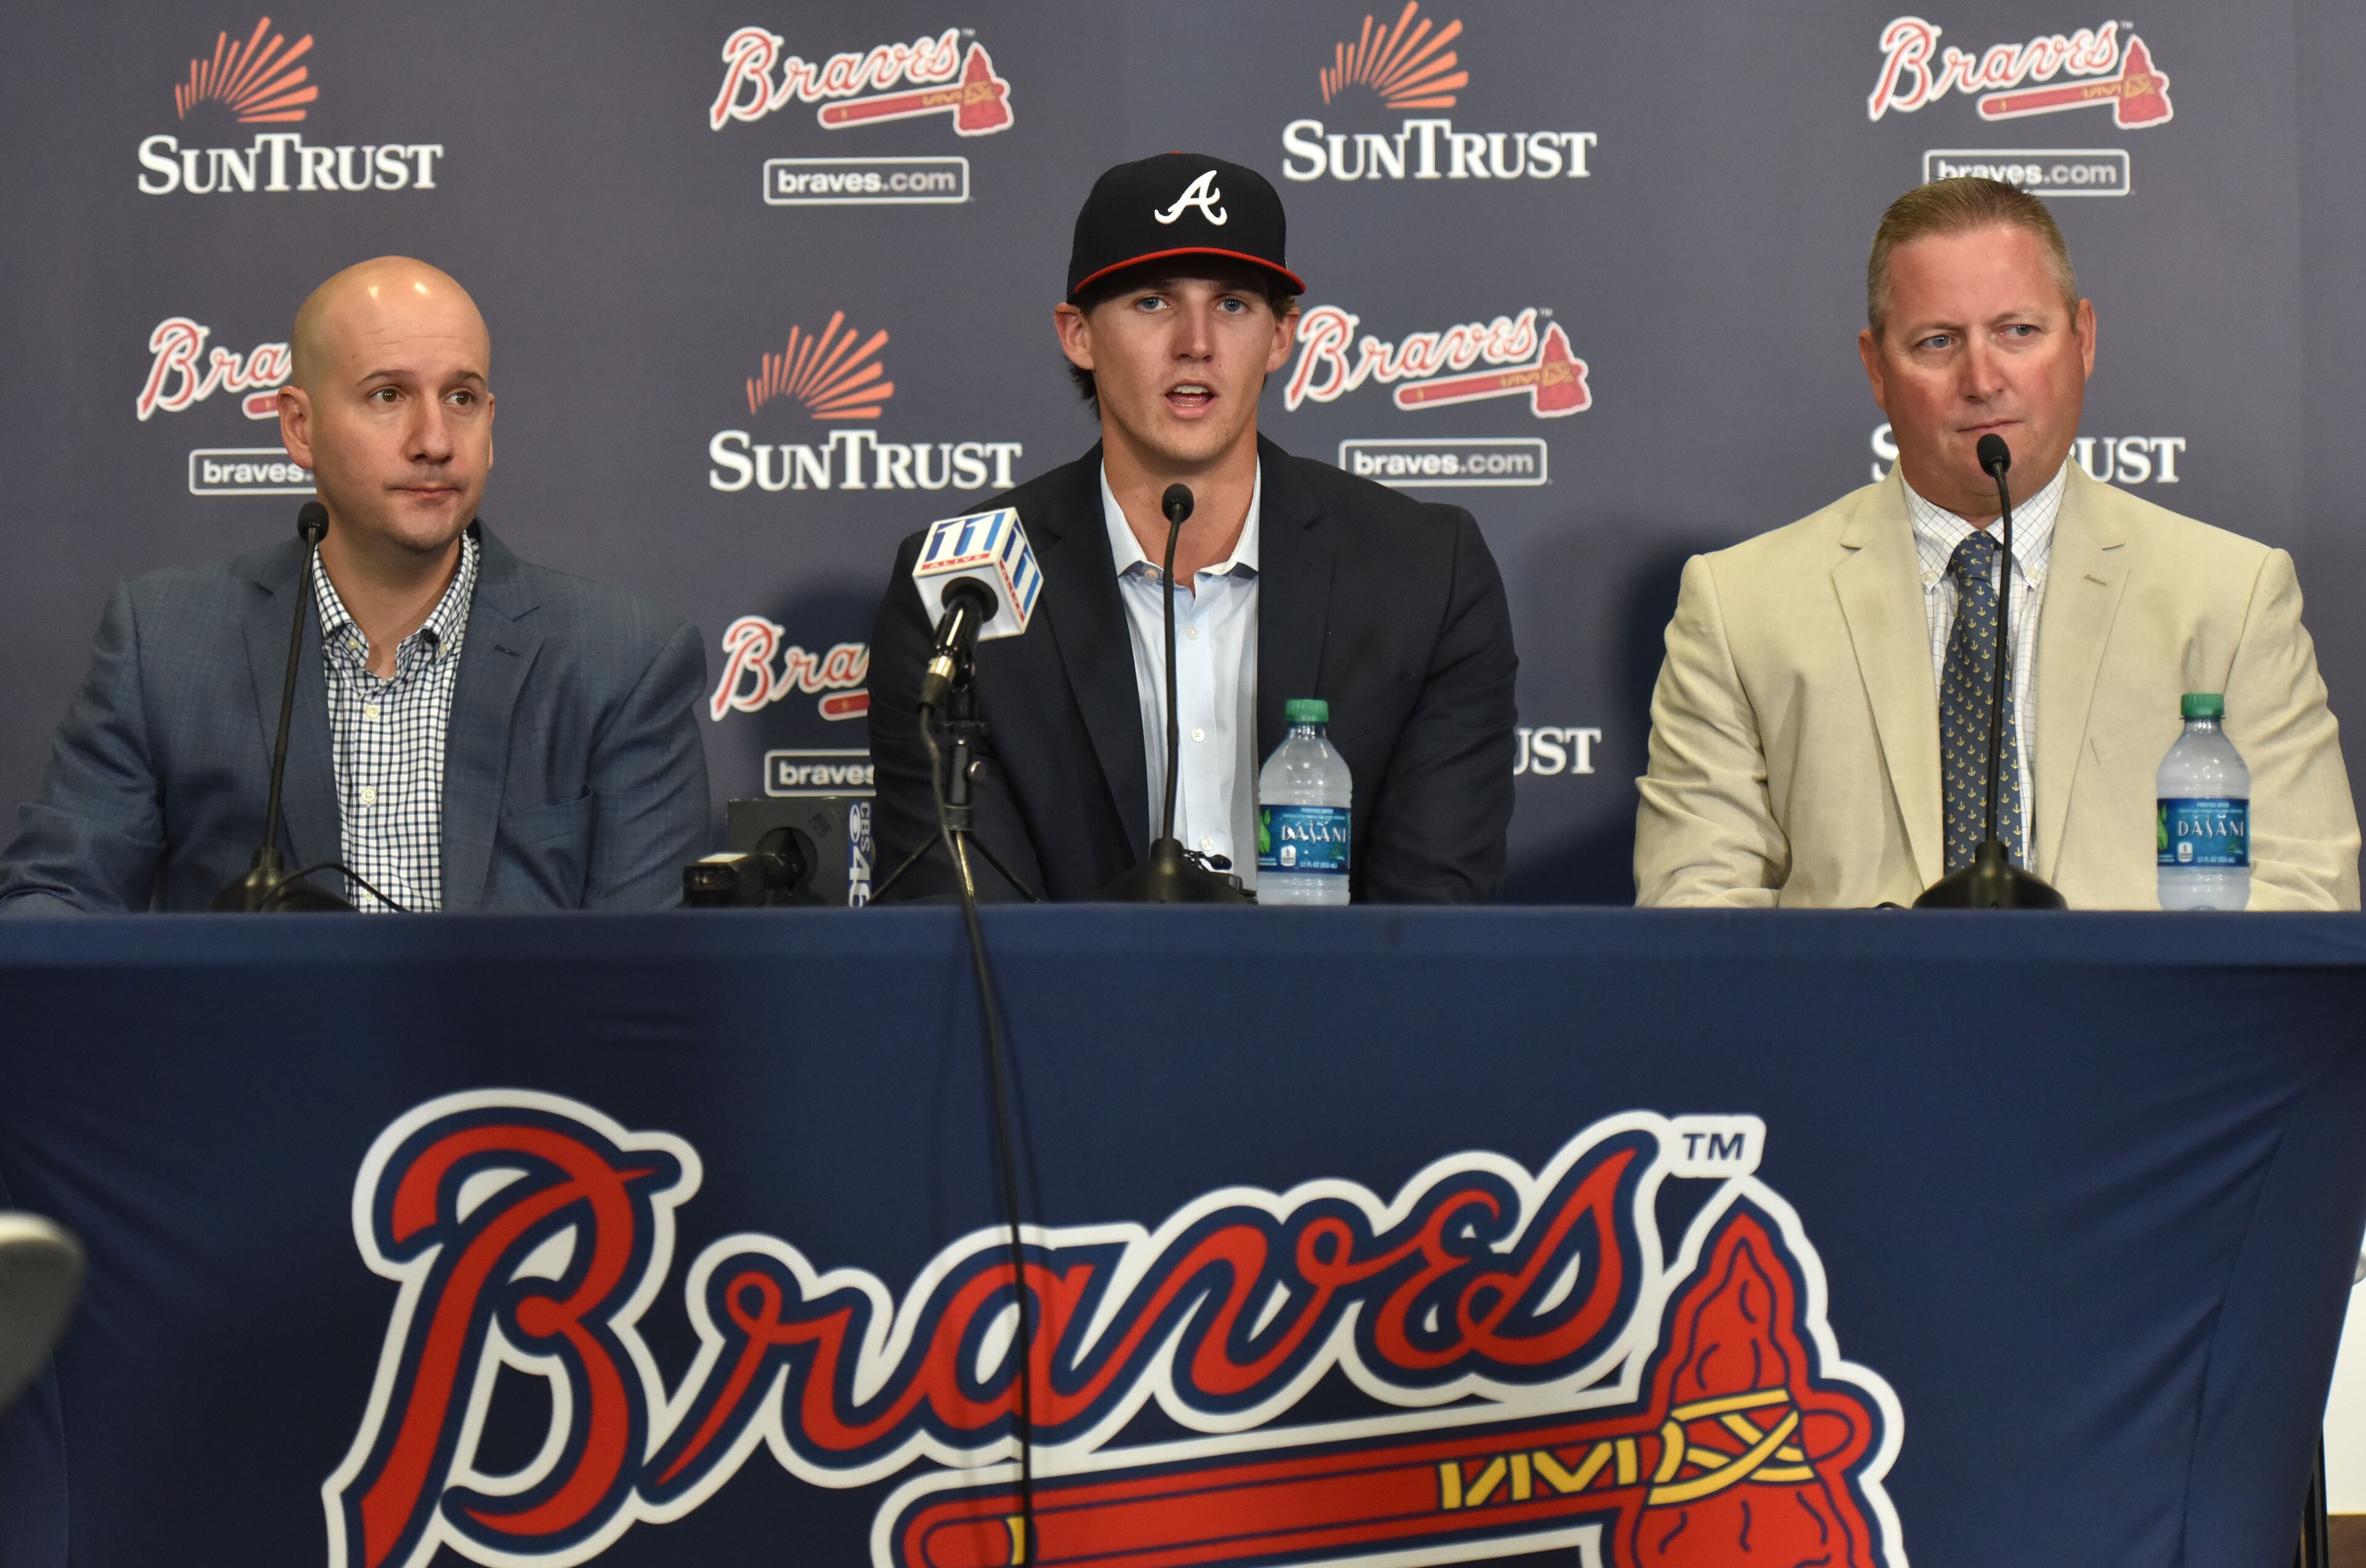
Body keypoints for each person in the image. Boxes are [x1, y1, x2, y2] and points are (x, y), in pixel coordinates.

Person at [1635, 178, 2357, 910]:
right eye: (1938, 342)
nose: (1982, 381)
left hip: (2136, 1023)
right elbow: (1693, 904)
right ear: (1876, 367)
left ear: (2083, 341)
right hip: (1854, 1023)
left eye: (2019, 332)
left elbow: (2310, 891)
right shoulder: (1740, 607)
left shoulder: (2230, 597)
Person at [867, 153, 1519, 903]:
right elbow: (970, 928)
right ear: (1078, 335)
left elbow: (1431, 921)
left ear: (1281, 337)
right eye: (1152, 303)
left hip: (1345, 1017)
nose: (1197, 342)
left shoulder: (1425, 573)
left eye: (1235, 305)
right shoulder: (959, 590)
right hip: (1070, 1020)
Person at [0, 258, 709, 913]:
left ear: (490, 426)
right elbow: (54, 901)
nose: (433, 439)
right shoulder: (164, 642)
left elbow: (645, 969)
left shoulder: (622, 660)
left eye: (460, 397)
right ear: (299, 427)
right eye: (388, 395)